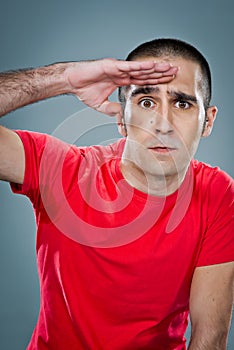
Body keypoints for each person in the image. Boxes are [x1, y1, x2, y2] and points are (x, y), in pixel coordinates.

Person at [0, 38, 233, 350]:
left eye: (182, 104)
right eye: (147, 102)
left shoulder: (218, 193)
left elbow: (210, 338)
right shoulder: (62, 169)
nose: (162, 124)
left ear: (208, 121)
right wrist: (64, 78)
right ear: (122, 118)